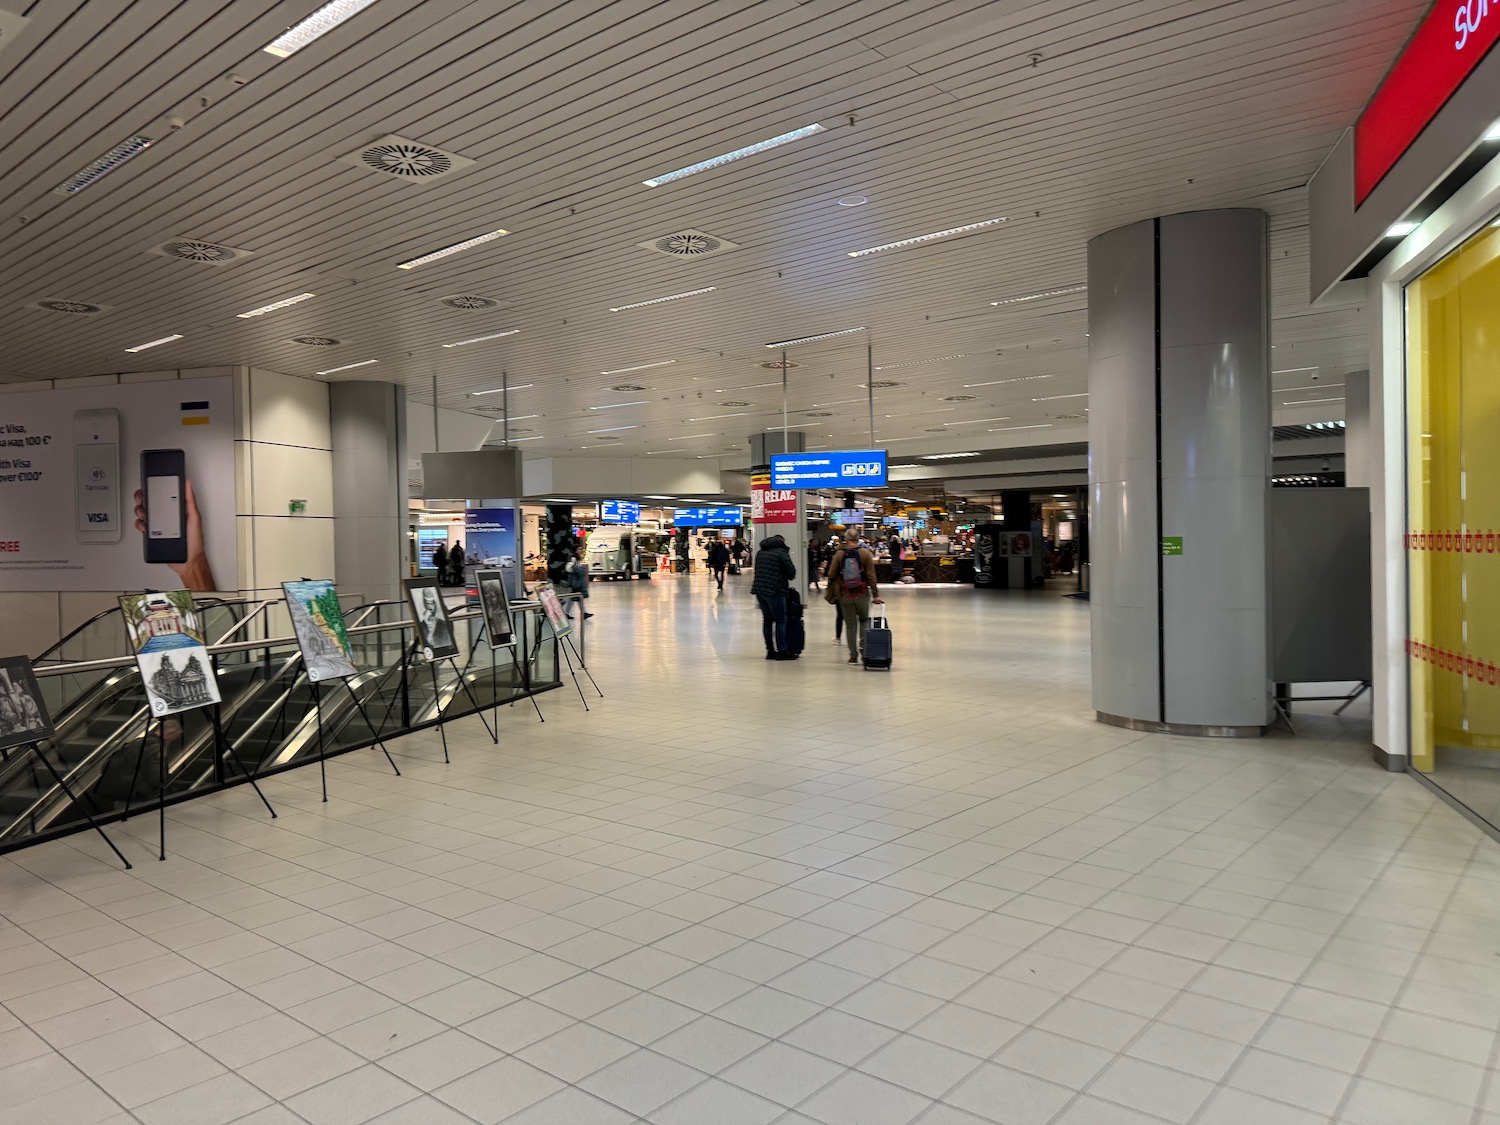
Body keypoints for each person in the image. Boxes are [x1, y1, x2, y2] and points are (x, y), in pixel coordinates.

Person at [826, 530, 882, 665]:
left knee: (850, 625)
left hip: (845, 594)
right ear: (858, 539)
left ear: (845, 539)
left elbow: (831, 574)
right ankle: (864, 650)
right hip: (862, 593)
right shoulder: (865, 553)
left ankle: (852, 656)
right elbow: (871, 576)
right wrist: (875, 594)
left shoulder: (839, 554)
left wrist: (832, 589)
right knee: (863, 621)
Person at [750, 533, 797, 660]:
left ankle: (770, 650)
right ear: (781, 542)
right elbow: (791, 572)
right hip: (776, 591)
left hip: (760, 591)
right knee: (781, 620)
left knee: (767, 621)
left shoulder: (760, 552)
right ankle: (782, 650)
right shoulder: (781, 553)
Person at [566, 542, 593, 618]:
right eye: (579, 549)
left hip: (576, 581)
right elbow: (568, 568)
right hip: (576, 581)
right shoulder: (573, 558)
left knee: (574, 598)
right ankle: (583, 613)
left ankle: (567, 613)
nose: (581, 550)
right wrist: (576, 570)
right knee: (577, 597)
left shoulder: (576, 558)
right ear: (575, 550)